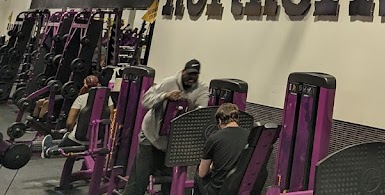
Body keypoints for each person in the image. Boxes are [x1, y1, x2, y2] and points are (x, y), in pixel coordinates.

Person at [121, 59, 209, 195]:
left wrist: (190, 105)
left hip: (173, 143)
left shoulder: (201, 89)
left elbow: (202, 111)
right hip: (151, 136)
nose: (191, 78)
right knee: (139, 179)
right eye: (189, 74)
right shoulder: (168, 83)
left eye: (195, 75)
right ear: (183, 71)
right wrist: (165, 96)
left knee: (171, 182)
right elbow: (145, 101)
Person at [41, 75, 113, 157]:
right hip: (98, 140)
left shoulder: (80, 99)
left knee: (62, 143)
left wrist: (71, 131)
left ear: (85, 85)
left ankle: (48, 150)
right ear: (98, 84)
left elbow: (69, 123)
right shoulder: (108, 98)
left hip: (78, 139)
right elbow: (110, 118)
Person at [196, 103, 249, 195]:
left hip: (218, 190)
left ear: (220, 120)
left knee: (198, 174)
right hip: (240, 187)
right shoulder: (250, 135)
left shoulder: (214, 138)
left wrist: (211, 168)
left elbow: (202, 173)